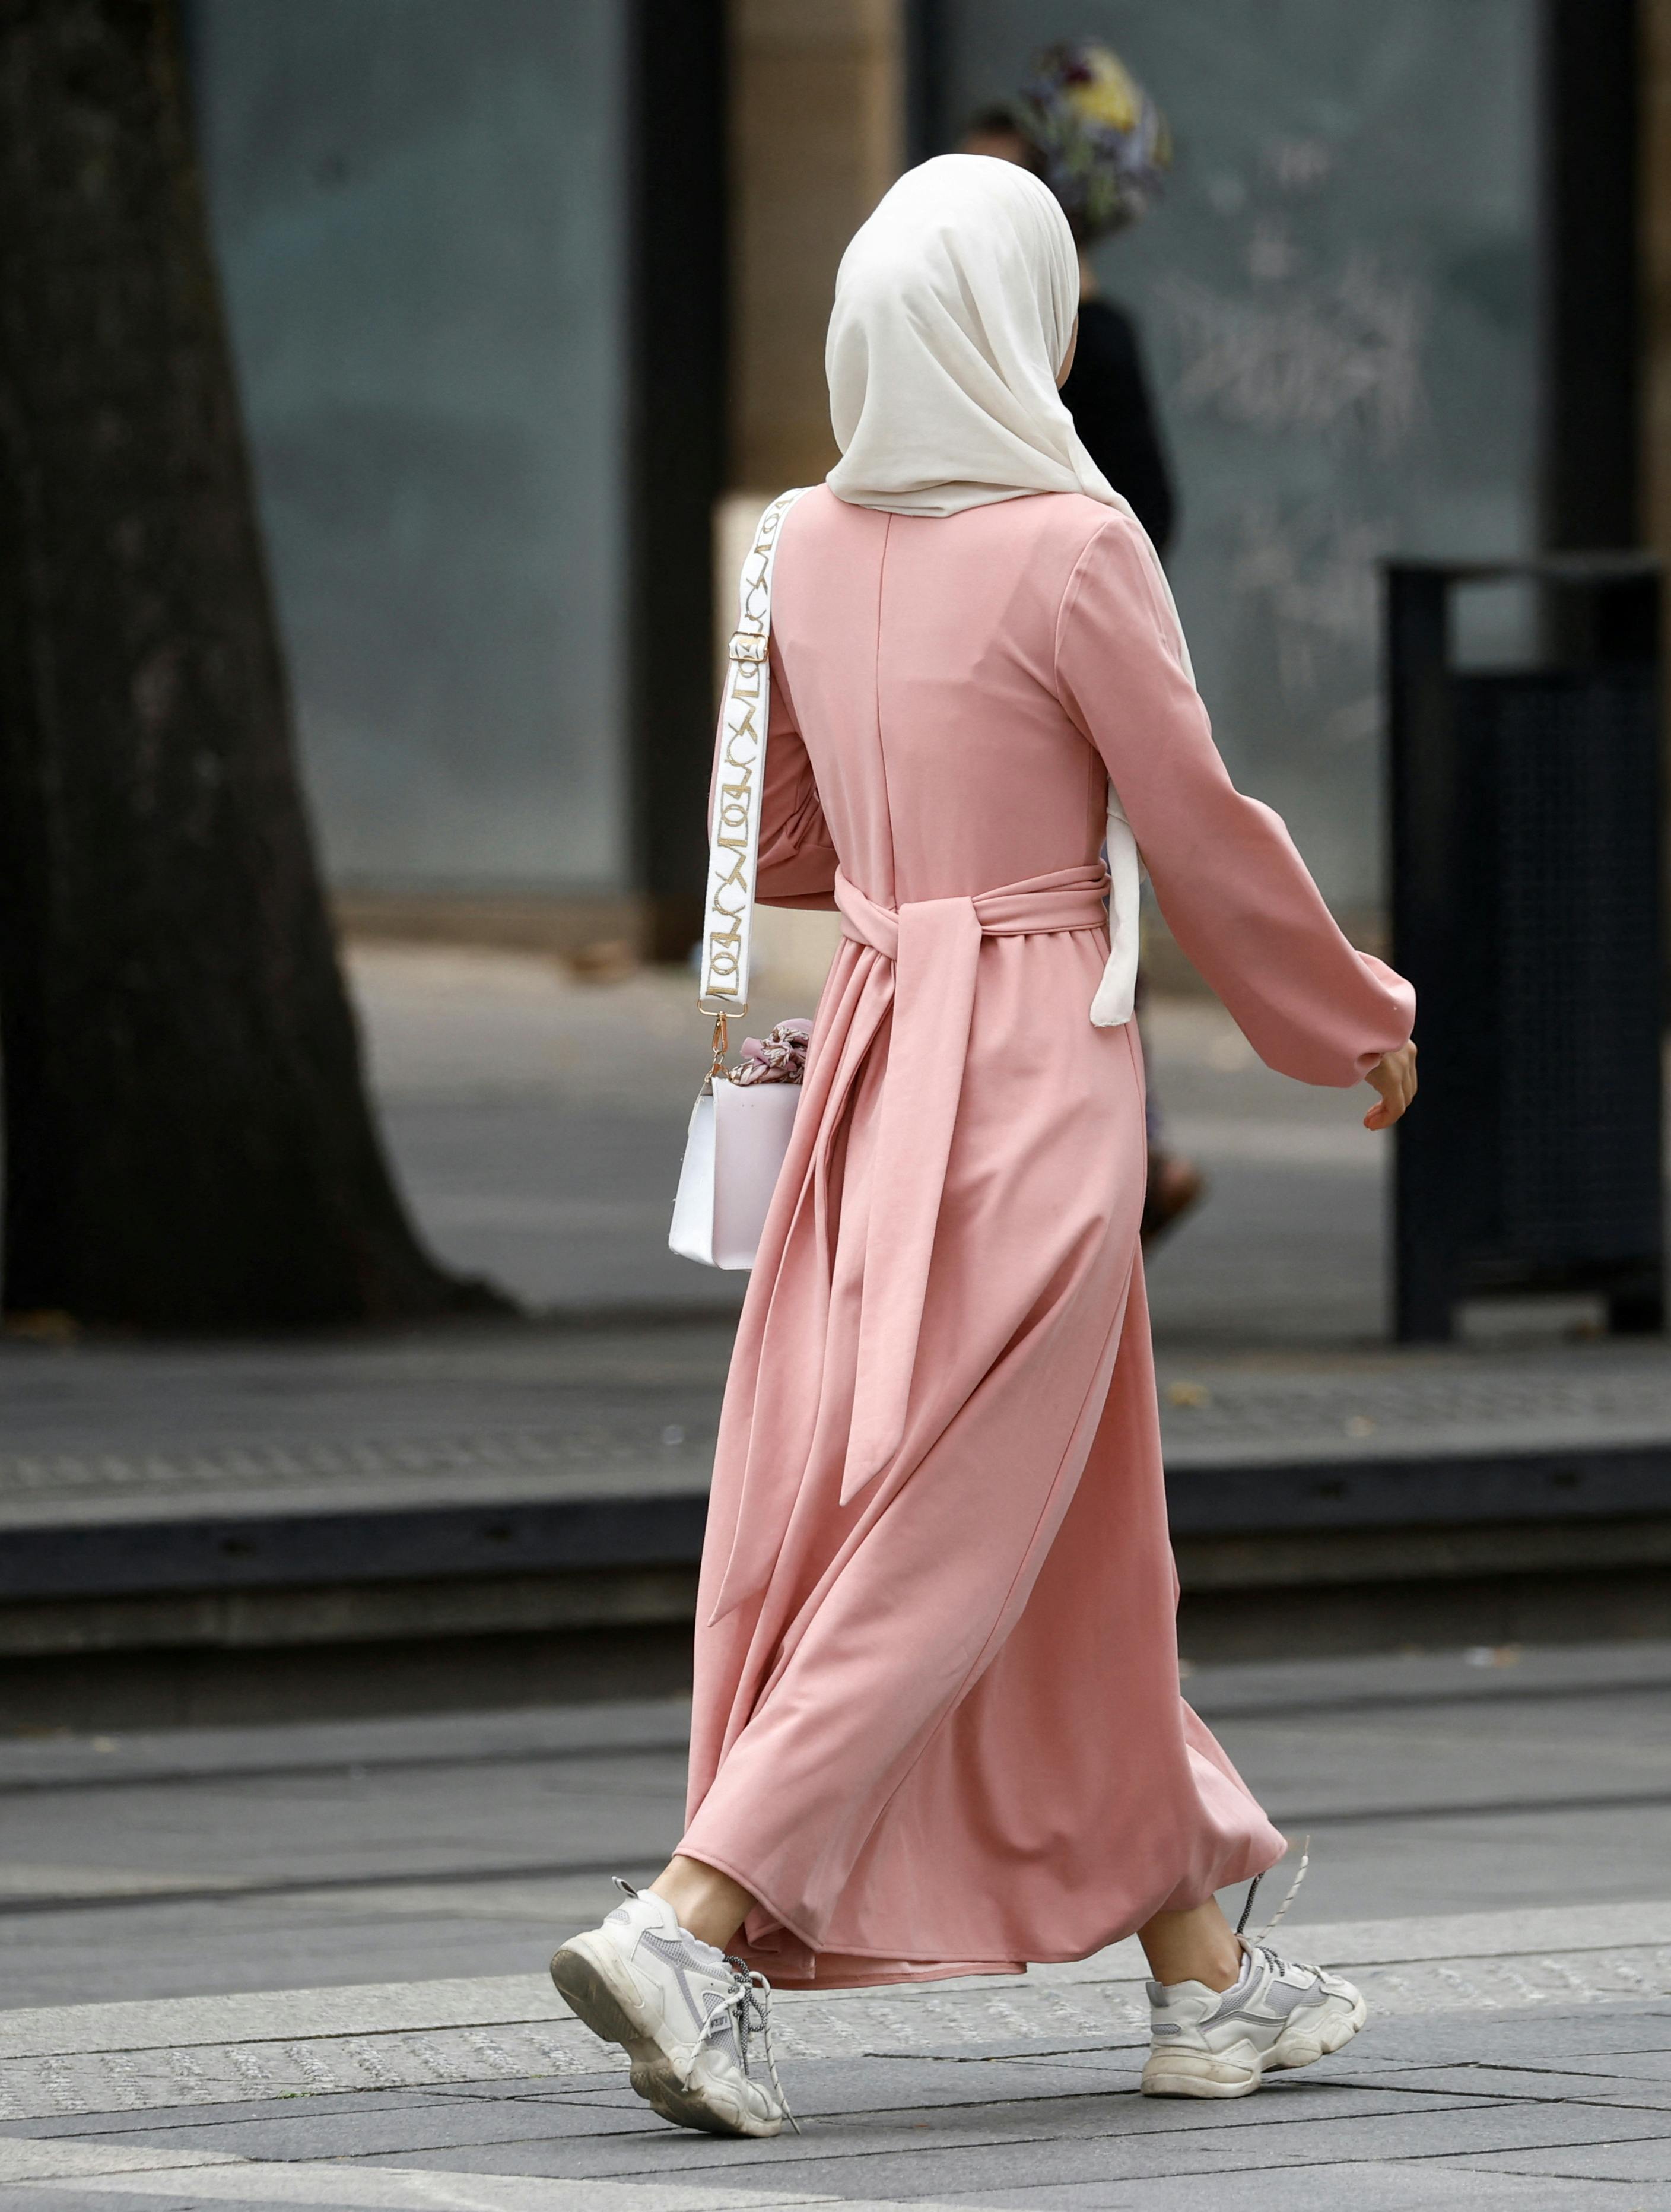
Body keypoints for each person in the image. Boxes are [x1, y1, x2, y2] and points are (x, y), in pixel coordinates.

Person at [551, 155, 1417, 2140]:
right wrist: (1349, 1013)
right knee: (956, 1514)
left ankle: (1203, 1979)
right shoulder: (1072, 543)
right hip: (1031, 1060)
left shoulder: (803, 538)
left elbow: (780, 848)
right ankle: (694, 1915)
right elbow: (1192, 823)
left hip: (872, 1044)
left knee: (1068, 1532)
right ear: (1014, 319)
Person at [965, 44, 1203, 1245]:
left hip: (1048, 683)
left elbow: (1144, 517)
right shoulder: (1000, 340)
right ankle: (1112, 1150)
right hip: (1019, 677)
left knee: (1080, 915)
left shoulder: (1075, 347)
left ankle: (1123, 1147)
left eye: (999, 158)